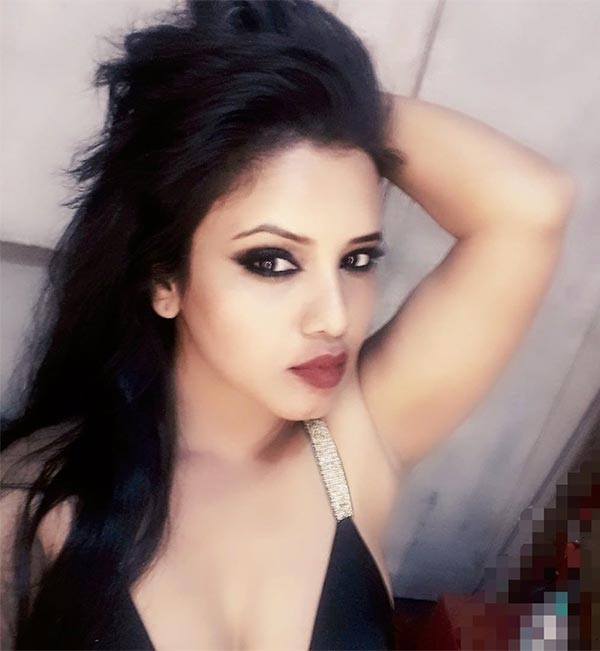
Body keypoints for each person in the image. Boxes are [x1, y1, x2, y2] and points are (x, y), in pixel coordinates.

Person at [0, 1, 576, 649]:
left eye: (357, 260)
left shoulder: (357, 440)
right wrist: (232, 106)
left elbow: (532, 204)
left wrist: (316, 105)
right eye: (272, 262)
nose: (334, 316)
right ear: (165, 281)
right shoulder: (33, 502)